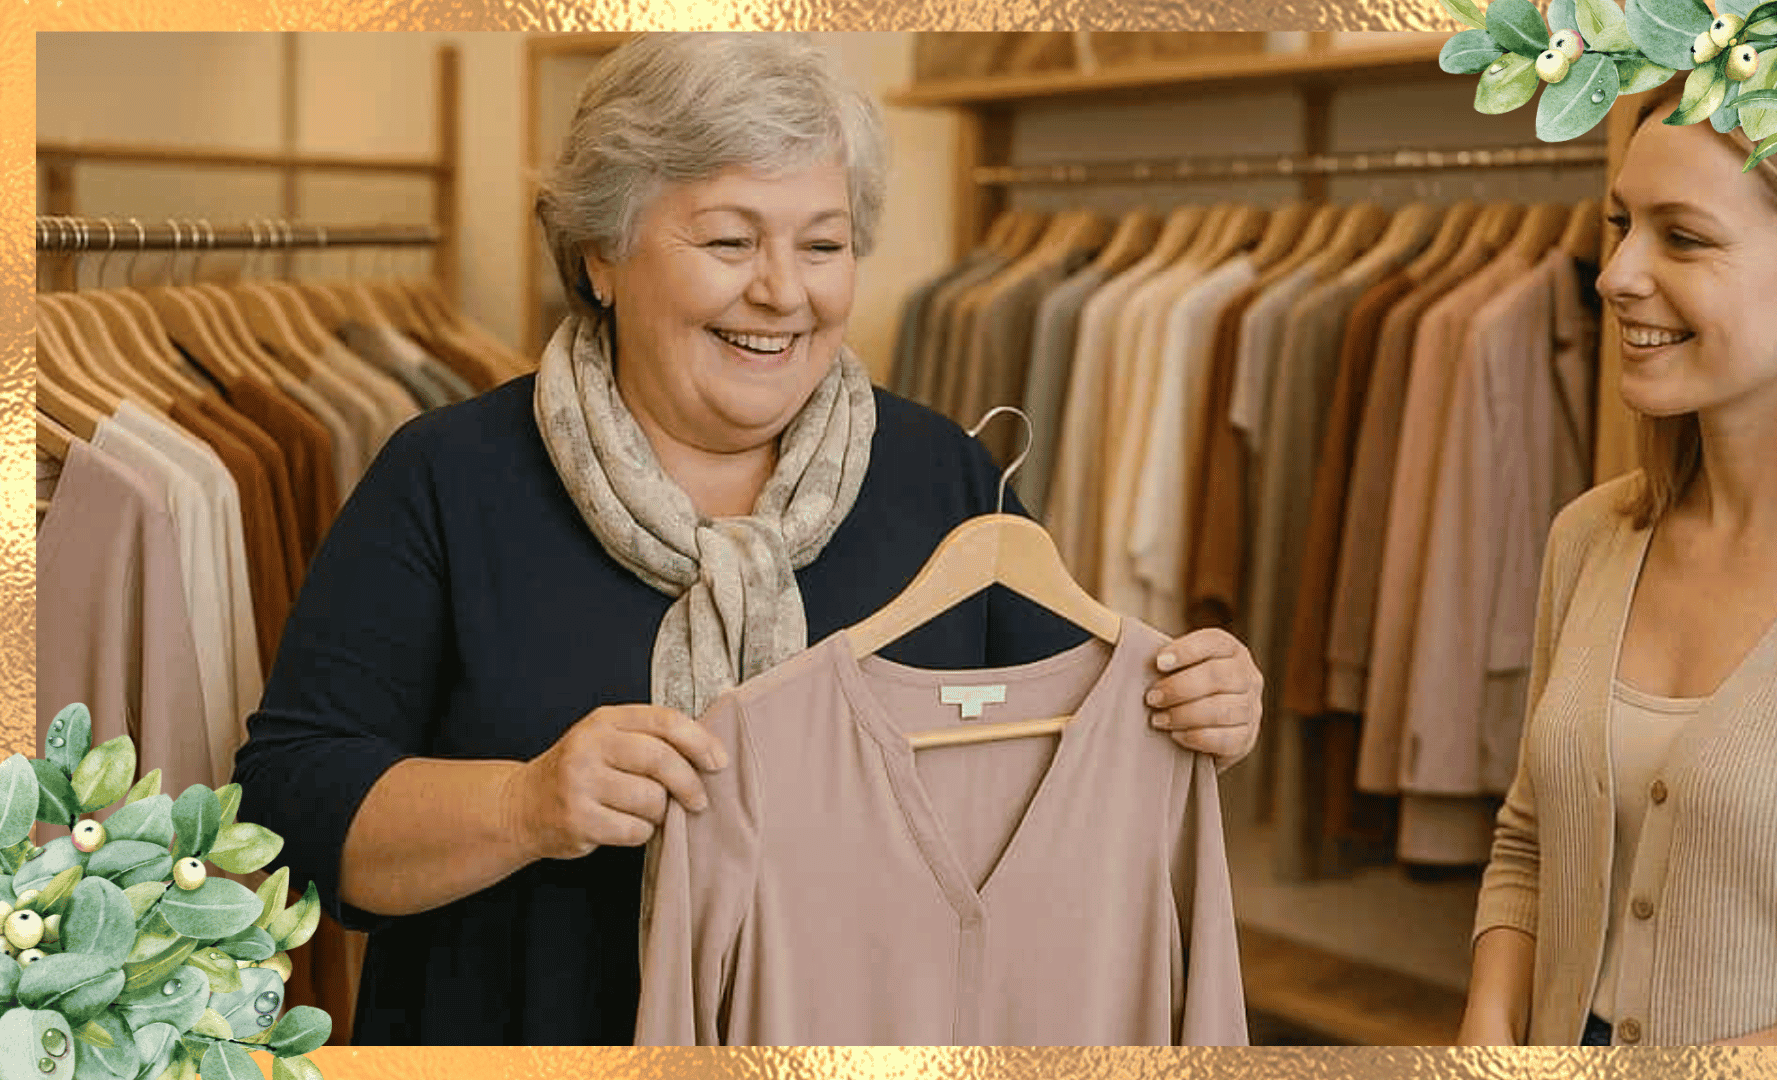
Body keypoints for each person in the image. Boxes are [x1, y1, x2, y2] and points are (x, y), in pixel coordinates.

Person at [232, 32, 1265, 1046]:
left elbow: (1062, 765)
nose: (783, 291)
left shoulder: (942, 478)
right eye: (730, 242)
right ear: (602, 254)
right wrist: (525, 804)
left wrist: (1189, 707)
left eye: (822, 245)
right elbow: (291, 817)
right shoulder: (449, 479)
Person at [1455, 87, 1777, 1047]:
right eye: (1621, 226)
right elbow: (1531, 844)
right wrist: (1488, 1024)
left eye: (1683, 238)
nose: (1614, 275)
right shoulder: (1593, 537)